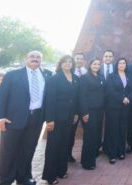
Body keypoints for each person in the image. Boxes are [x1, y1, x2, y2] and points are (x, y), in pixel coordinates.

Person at [0, 51, 49, 185]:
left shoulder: (47, 75)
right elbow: (1, 96)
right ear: (26, 59)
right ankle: (5, 179)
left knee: (28, 149)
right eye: (32, 57)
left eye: (38, 57)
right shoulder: (12, 75)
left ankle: (23, 177)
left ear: (41, 60)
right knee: (8, 150)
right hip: (13, 119)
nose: (35, 59)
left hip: (36, 119)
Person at [42, 55, 79, 184]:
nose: (68, 64)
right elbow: (50, 100)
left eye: (70, 62)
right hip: (56, 118)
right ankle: (50, 176)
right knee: (53, 146)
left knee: (64, 144)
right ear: (61, 63)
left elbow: (75, 99)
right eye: (65, 62)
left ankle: (61, 171)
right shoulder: (54, 79)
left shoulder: (75, 78)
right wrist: (50, 119)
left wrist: (75, 113)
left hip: (69, 117)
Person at [104, 58, 132, 164]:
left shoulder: (129, 76)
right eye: (120, 63)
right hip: (113, 107)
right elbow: (110, 90)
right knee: (113, 129)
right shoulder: (111, 76)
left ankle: (121, 152)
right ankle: (112, 154)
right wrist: (122, 98)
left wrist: (128, 98)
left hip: (125, 107)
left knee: (122, 129)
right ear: (117, 64)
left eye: (124, 63)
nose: (122, 64)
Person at [78, 58, 105, 170]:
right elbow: (82, 96)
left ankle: (92, 158)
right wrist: (84, 112)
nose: (97, 65)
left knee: (95, 135)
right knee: (89, 136)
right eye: (94, 64)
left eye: (98, 64)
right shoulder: (84, 78)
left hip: (99, 111)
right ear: (90, 65)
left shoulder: (100, 77)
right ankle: (86, 162)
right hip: (89, 111)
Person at [68, 52, 88, 163]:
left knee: (88, 132)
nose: (79, 60)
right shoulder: (70, 73)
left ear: (84, 60)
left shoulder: (87, 72)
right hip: (73, 109)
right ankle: (68, 154)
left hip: (85, 108)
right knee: (70, 133)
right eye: (77, 58)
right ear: (74, 60)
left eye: (81, 58)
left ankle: (88, 153)